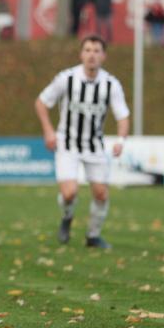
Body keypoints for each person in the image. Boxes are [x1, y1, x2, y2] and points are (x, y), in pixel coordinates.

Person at [34, 35, 130, 250]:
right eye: (87, 50)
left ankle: (93, 236)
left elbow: (123, 116)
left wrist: (121, 140)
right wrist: (49, 131)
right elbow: (41, 102)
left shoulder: (111, 84)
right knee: (69, 193)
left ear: (103, 56)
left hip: (94, 146)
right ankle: (67, 217)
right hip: (67, 145)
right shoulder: (66, 78)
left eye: (96, 51)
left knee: (101, 194)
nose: (92, 55)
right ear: (81, 54)